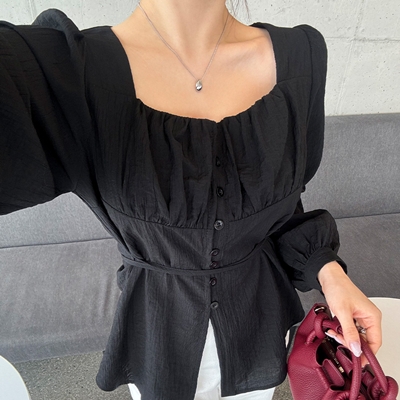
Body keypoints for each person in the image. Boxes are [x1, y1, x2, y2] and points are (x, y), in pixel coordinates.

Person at [0, 0, 382, 399]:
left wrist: (330, 273)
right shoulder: (65, 73)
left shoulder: (302, 58)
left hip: (258, 326)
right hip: (158, 335)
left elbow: (279, 210)